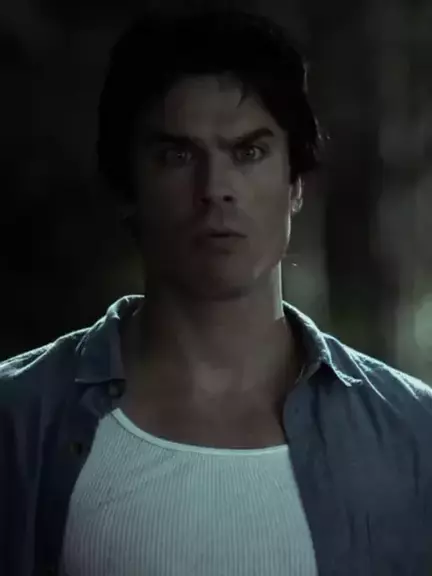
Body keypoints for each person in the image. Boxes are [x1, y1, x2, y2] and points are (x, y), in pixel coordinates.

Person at [0, 9, 431, 576]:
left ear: (295, 184)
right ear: (128, 187)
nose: (216, 189)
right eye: (177, 156)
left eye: (249, 153)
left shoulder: (412, 431)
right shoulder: (19, 419)